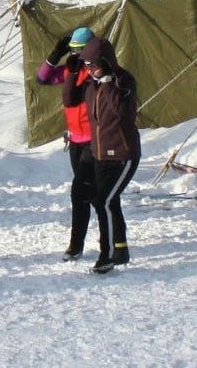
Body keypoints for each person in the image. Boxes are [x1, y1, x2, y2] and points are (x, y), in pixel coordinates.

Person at [77, 36, 140, 274]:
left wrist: (110, 81)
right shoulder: (92, 85)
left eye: (93, 65)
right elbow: (69, 98)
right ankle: (121, 248)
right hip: (101, 154)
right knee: (107, 200)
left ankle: (108, 255)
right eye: (87, 65)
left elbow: (123, 113)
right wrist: (77, 71)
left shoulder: (123, 81)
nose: (90, 70)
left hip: (124, 154)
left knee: (103, 201)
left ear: (106, 62)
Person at [36, 27, 96, 261]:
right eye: (73, 51)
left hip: (94, 140)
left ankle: (81, 244)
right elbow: (42, 78)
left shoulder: (94, 71)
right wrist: (54, 56)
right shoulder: (71, 69)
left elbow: (74, 97)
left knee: (82, 191)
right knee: (85, 193)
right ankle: (79, 244)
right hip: (75, 140)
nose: (76, 56)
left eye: (80, 51)